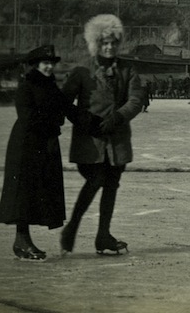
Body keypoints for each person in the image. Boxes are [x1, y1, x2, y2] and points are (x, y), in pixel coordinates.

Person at [0, 45, 99, 261]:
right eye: (45, 62)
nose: (49, 66)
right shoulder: (27, 85)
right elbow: (27, 117)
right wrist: (52, 126)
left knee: (37, 190)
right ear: (36, 64)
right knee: (24, 191)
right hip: (26, 144)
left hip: (44, 144)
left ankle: (22, 241)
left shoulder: (51, 85)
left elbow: (68, 109)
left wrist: (96, 124)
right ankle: (21, 240)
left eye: (52, 63)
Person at [60, 14, 147, 256]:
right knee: (96, 178)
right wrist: (82, 118)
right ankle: (72, 227)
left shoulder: (127, 70)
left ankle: (103, 236)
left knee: (112, 184)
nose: (109, 48)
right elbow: (64, 101)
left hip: (117, 141)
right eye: (104, 43)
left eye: (113, 43)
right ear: (95, 44)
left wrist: (118, 117)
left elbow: (136, 100)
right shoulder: (81, 71)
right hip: (89, 141)